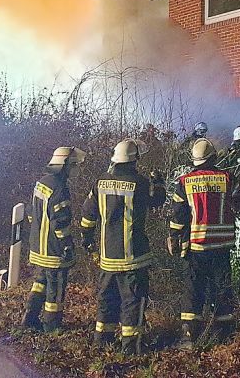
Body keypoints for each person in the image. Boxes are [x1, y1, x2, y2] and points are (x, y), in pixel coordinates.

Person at [168, 138, 240, 349]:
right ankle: (224, 335)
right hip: (222, 246)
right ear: (213, 157)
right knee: (222, 287)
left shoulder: (184, 182)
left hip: (196, 247)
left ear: (194, 159)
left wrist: (173, 237)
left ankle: (189, 337)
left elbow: (178, 217)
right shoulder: (228, 178)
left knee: (194, 289)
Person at [79, 139, 157, 354]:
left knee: (107, 300)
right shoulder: (140, 183)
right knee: (132, 301)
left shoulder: (99, 182)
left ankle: (101, 341)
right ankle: (130, 349)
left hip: (108, 258)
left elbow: (88, 216)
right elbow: (157, 201)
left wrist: (87, 239)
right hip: (133, 258)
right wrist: (158, 183)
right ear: (135, 160)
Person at [22, 146, 86, 333]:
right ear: (64, 166)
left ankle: (29, 317)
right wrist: (67, 246)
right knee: (55, 290)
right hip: (54, 251)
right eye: (74, 165)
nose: (75, 169)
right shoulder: (60, 189)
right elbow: (61, 225)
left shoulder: (42, 183)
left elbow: (31, 212)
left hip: (38, 248)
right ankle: (51, 326)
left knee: (40, 282)